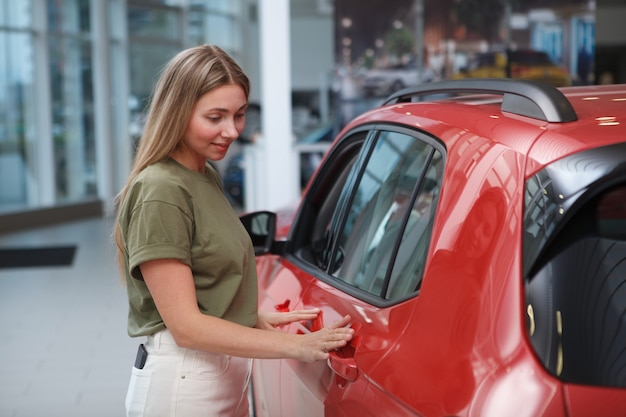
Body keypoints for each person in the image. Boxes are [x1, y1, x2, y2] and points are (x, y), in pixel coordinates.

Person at [113, 44, 354, 417]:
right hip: (184, 382)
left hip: (220, 375)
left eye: (239, 115)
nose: (232, 131)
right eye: (215, 117)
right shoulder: (161, 189)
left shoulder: (202, 174)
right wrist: (298, 348)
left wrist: (249, 315)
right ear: (177, 113)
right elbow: (186, 327)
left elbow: (205, 278)